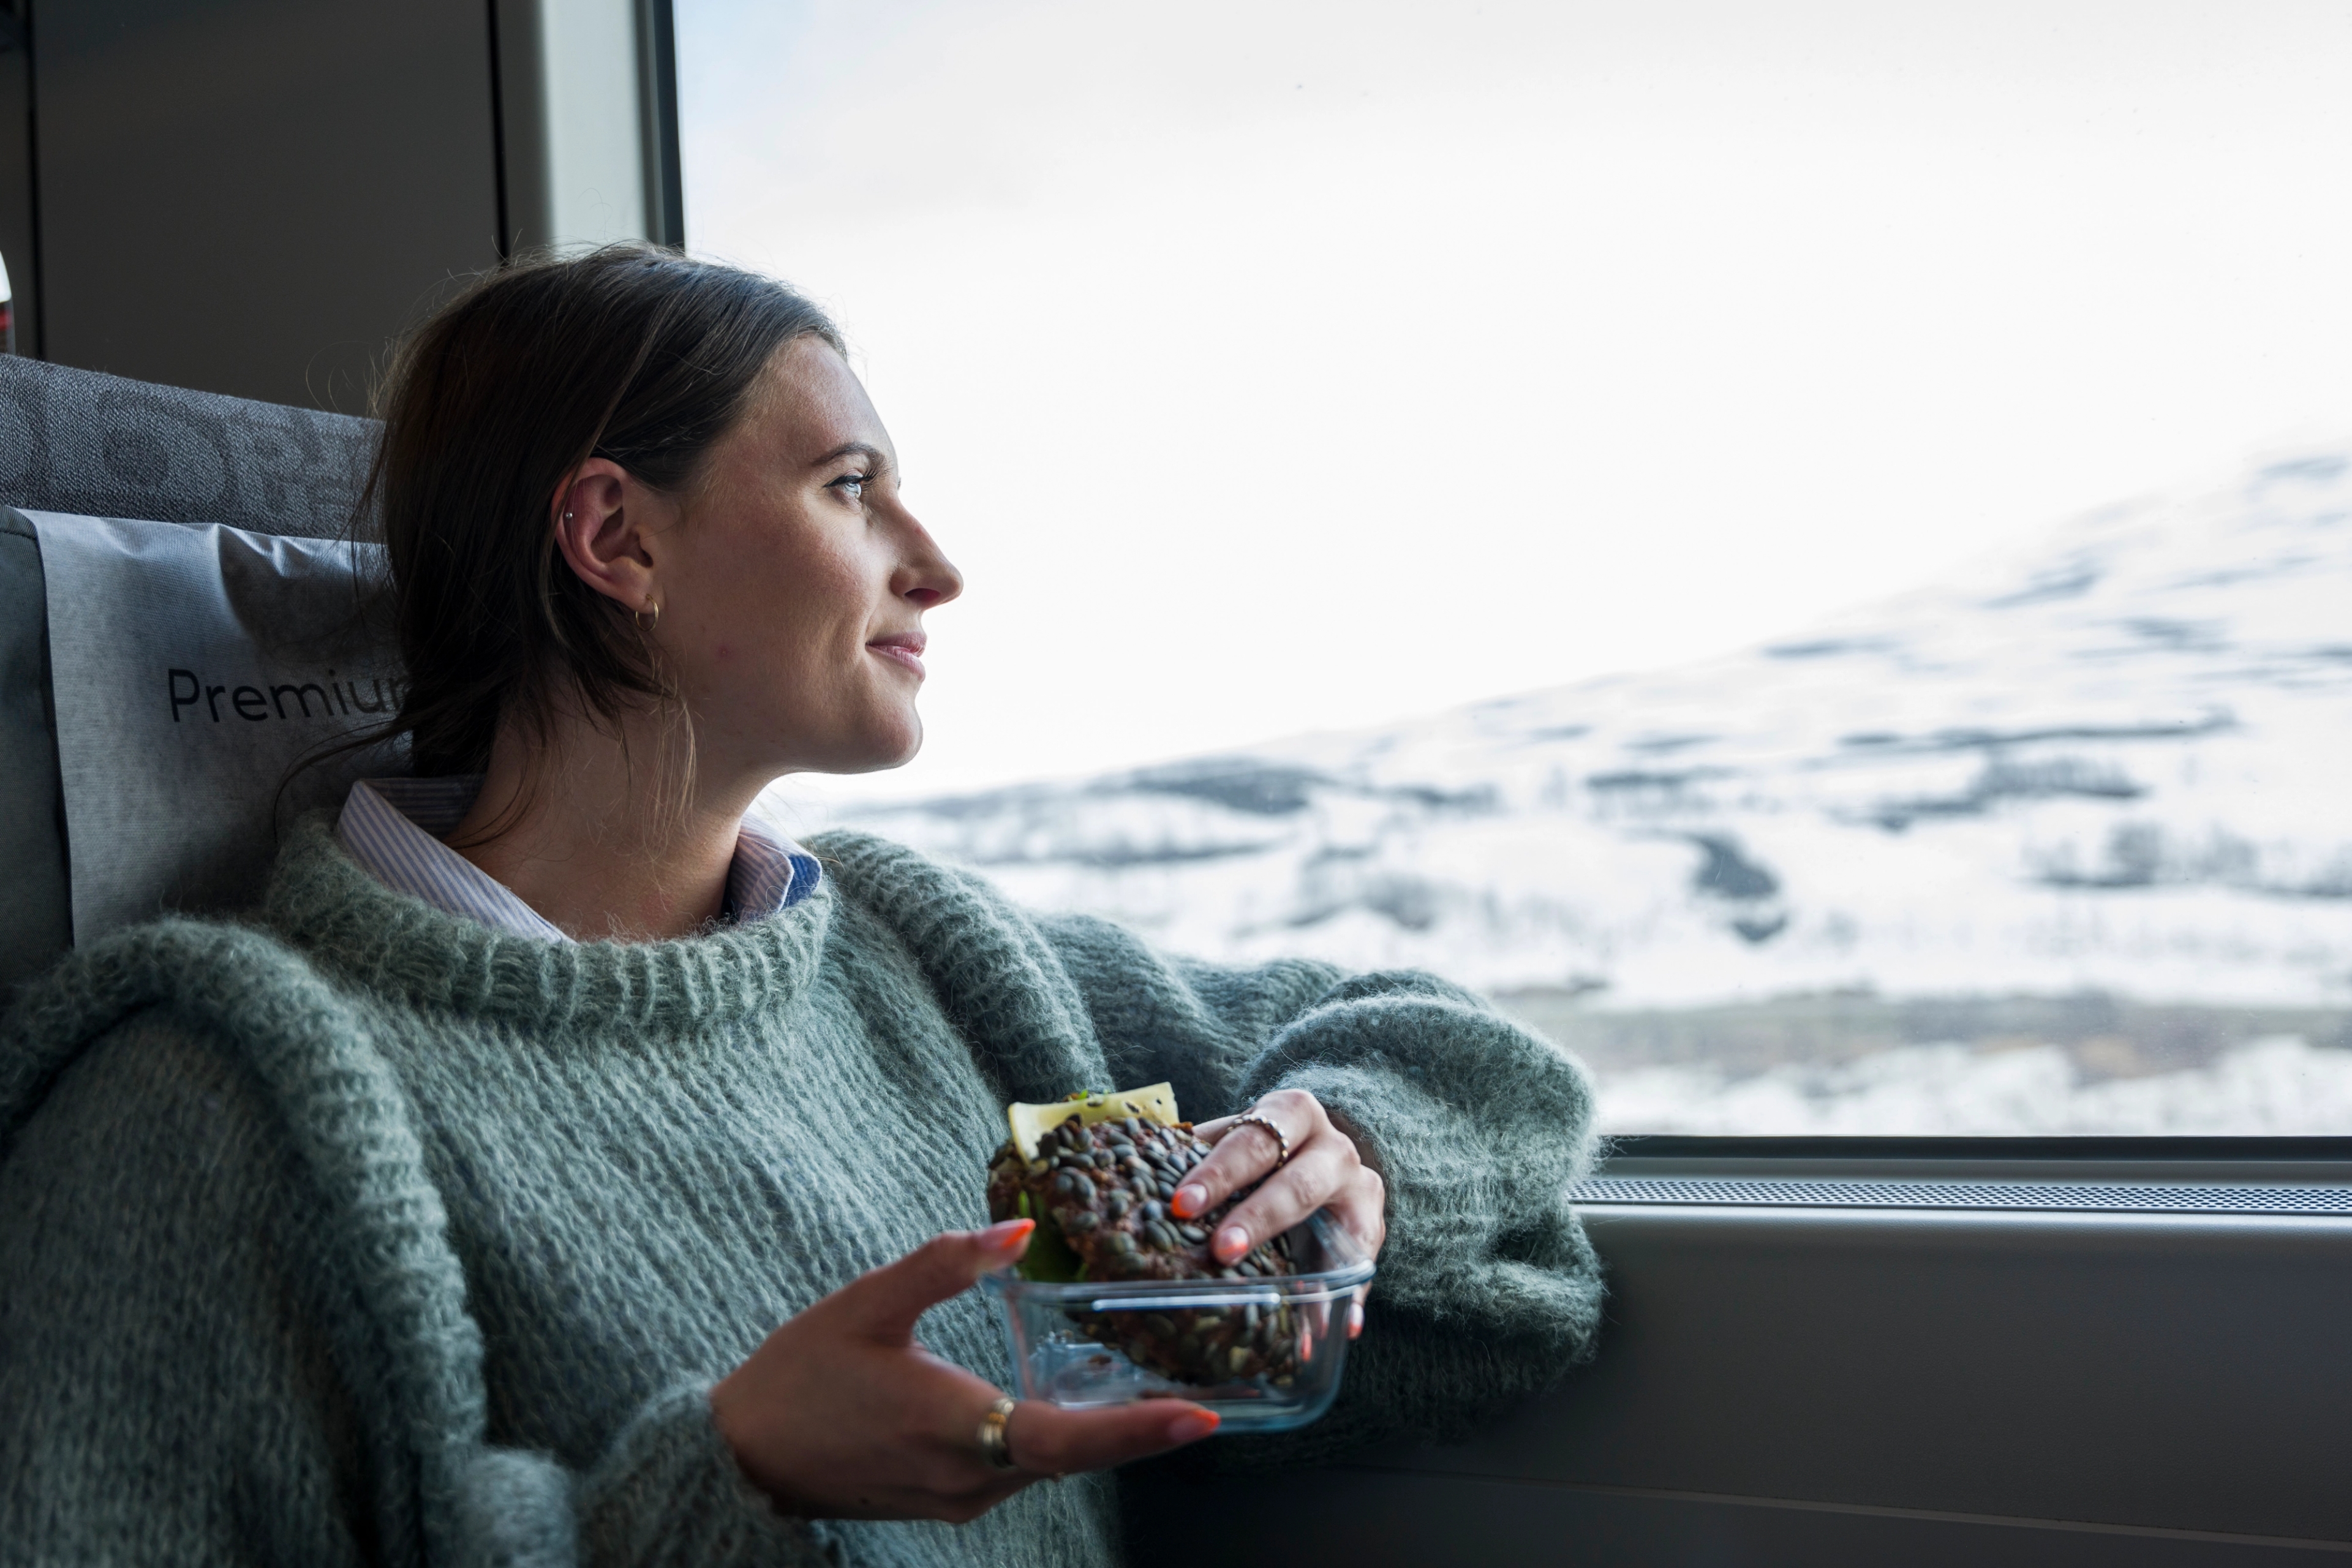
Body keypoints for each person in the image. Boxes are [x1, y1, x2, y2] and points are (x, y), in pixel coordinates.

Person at [0, 246, 1605, 1566]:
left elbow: (1464, 1094)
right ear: (615, 536)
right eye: (854, 486)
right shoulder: (214, 1113)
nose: (938, 565)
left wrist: (1346, 1158)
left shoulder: (930, 963)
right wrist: (727, 1488)